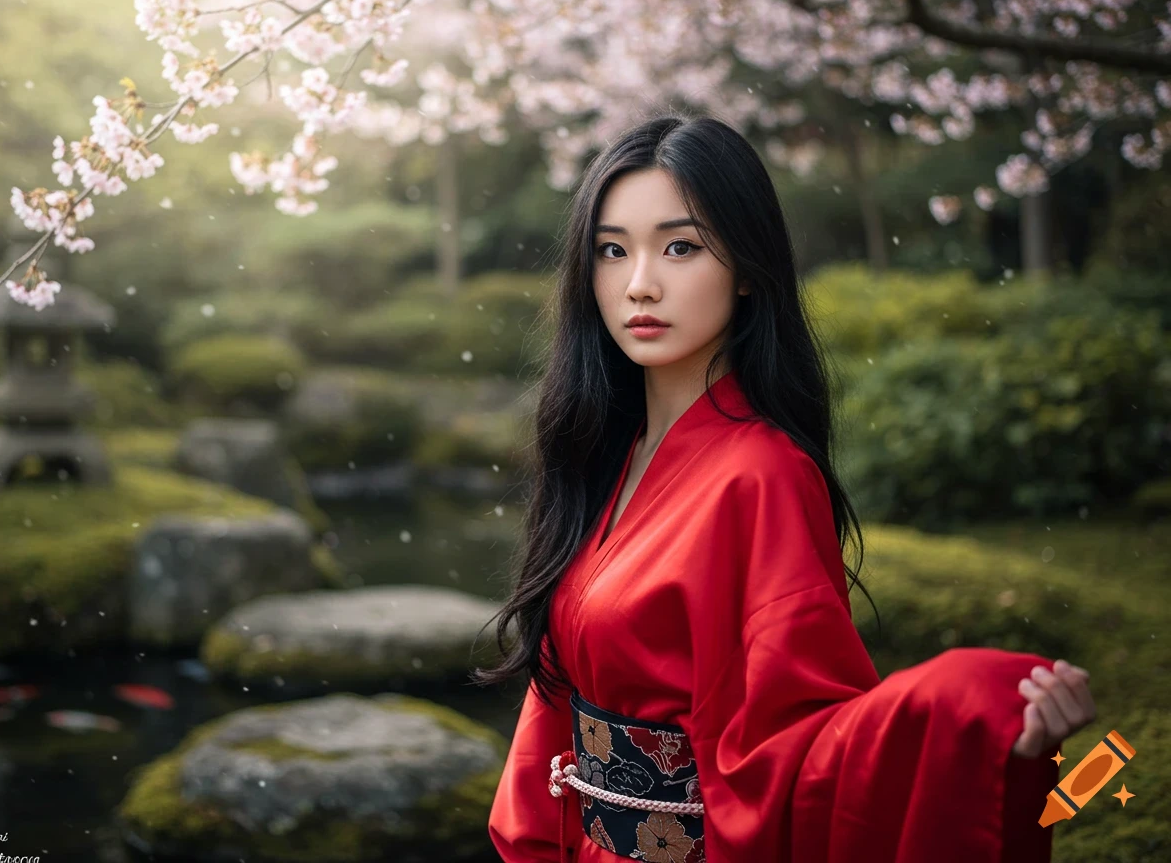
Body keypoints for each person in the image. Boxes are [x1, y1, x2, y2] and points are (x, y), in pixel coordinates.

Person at [470, 113, 1097, 863]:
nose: (639, 283)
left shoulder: (763, 474)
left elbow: (795, 745)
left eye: (681, 246)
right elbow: (558, 694)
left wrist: (978, 711)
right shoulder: (607, 455)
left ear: (744, 266)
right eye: (612, 250)